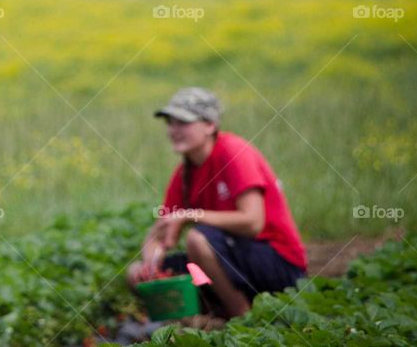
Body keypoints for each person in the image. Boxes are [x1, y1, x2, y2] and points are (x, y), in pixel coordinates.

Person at [127, 87, 307, 318]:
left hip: (278, 265)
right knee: (135, 274)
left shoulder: (234, 152)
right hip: (231, 262)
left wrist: (190, 215)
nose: (174, 130)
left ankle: (242, 319)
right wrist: (151, 262)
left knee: (198, 240)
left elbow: (253, 223)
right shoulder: (184, 174)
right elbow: (160, 234)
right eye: (170, 123)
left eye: (183, 122)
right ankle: (196, 321)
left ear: (210, 125)